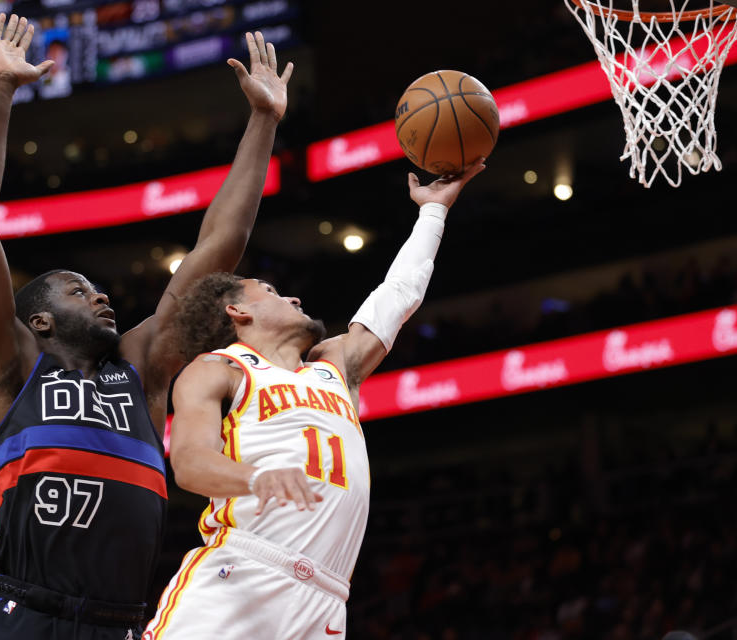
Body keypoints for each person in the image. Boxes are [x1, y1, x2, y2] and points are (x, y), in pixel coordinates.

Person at [0, 13, 293, 639]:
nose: (102, 295)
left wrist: (264, 122)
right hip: (24, 614)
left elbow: (221, 243)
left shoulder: (142, 364)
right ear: (40, 319)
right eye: (80, 290)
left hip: (123, 624)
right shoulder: (12, 369)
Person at [142, 160, 486, 638]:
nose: (295, 300)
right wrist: (257, 477)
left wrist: (432, 214)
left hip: (325, 600)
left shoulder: (336, 366)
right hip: (243, 574)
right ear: (237, 311)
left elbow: (398, 294)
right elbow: (190, 463)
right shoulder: (219, 369)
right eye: (272, 291)